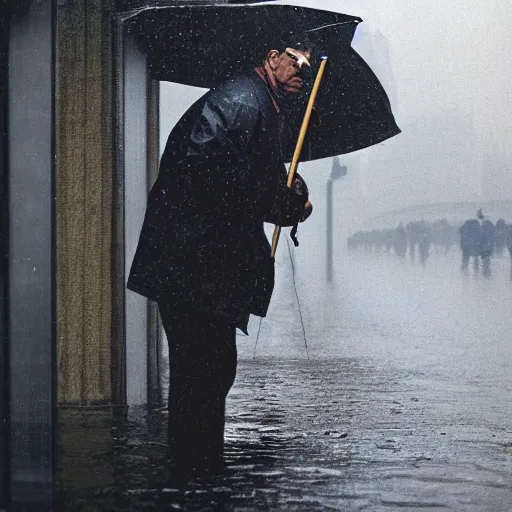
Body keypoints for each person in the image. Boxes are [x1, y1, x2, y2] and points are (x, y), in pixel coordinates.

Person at [127, 42, 314, 475]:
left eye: (307, 66)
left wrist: (283, 199)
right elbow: (205, 176)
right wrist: (277, 203)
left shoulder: (253, 102)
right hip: (196, 270)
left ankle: (195, 470)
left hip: (200, 269)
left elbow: (235, 179)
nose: (302, 71)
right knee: (203, 375)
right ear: (272, 58)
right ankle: (194, 472)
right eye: (296, 60)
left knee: (208, 373)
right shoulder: (242, 102)